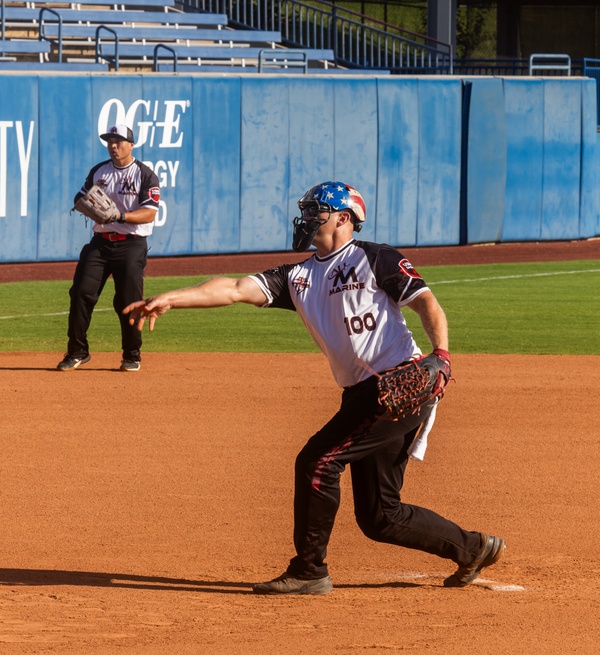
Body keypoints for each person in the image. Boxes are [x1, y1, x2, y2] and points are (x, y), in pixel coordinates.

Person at [123, 181, 505, 595]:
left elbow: (426, 303)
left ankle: (309, 570)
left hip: (401, 383)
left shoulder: (375, 258)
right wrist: (172, 298)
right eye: (307, 211)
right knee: (381, 517)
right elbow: (234, 288)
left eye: (317, 211)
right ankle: (474, 548)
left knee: (318, 462)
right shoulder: (298, 276)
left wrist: (442, 354)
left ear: (344, 218)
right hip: (363, 394)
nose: (307, 219)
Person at [57, 123, 161, 372]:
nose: (113, 146)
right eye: (109, 141)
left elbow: (149, 214)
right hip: (101, 243)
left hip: (131, 244)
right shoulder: (99, 171)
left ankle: (132, 355)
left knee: (128, 301)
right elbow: (80, 197)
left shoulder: (145, 174)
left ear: (131, 145)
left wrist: (120, 216)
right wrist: (86, 205)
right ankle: (77, 351)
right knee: (81, 293)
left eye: (119, 141)